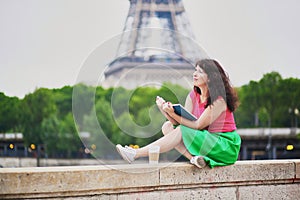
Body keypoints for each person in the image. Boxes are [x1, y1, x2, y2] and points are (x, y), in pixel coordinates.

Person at [116, 59, 241, 168]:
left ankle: (136, 154)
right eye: (195, 70)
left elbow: (197, 125)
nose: (194, 74)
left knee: (181, 130)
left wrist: (172, 113)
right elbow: (179, 124)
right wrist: (165, 110)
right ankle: (193, 158)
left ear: (210, 77)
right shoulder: (193, 95)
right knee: (167, 127)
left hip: (224, 144)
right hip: (207, 138)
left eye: (200, 72)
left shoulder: (219, 100)